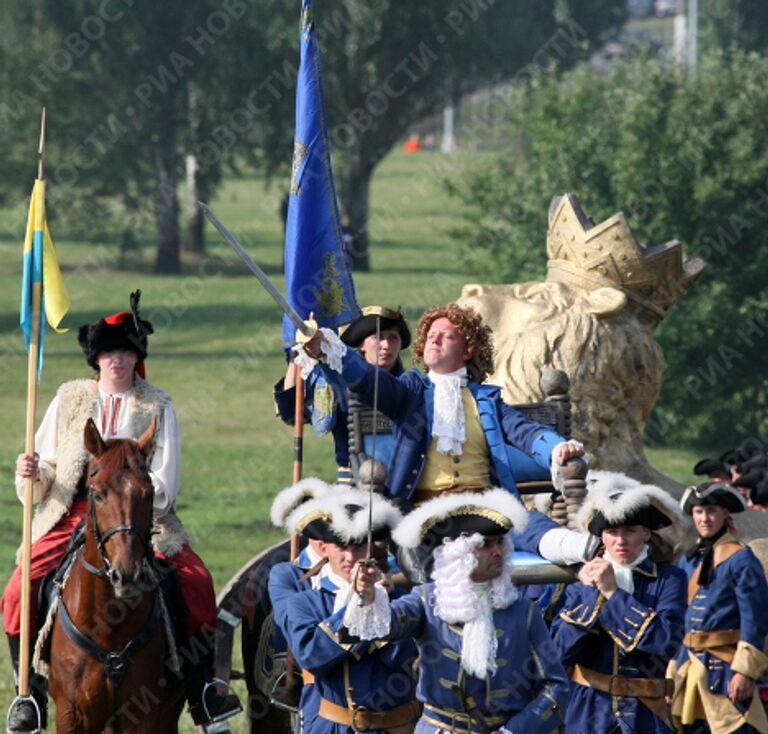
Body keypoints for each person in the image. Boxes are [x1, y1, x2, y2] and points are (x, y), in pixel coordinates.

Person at [2, 292, 240, 731]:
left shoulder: (158, 404)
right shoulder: (69, 399)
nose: (117, 360)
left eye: (126, 351)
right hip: (73, 510)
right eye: (109, 352)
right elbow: (50, 467)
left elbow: (166, 475)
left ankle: (203, 688)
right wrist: (31, 472)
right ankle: (28, 694)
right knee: (18, 592)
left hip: (142, 515)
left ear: (137, 356)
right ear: (97, 358)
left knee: (198, 584)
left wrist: (139, 503)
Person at [294, 302, 595, 565]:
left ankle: (584, 548)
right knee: (416, 547)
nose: (435, 339)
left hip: (485, 508)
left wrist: (557, 448)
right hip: (427, 514)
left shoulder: (486, 400)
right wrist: (331, 350)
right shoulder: (411, 390)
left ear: (467, 351)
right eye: (431, 336)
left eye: (447, 335)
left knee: (530, 526)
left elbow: (525, 432)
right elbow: (373, 383)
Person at [345, 488, 570, 733]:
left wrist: (514, 731)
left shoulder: (524, 611)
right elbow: (385, 624)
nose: (498, 551)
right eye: (485, 544)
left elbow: (557, 687)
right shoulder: (427, 599)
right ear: (459, 553)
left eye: (499, 543)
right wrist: (367, 595)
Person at [272, 491, 419, 733]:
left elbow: (409, 661)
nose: (350, 557)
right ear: (324, 548)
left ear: (371, 548)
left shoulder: (400, 599)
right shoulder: (305, 602)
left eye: (359, 546)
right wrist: (359, 605)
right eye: (341, 546)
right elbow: (311, 656)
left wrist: (379, 602)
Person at [551, 473, 687, 733]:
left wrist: (613, 594)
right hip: (588, 711)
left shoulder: (670, 579)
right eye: (612, 532)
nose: (621, 540)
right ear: (602, 537)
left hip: (646, 714)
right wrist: (593, 594)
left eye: (630, 531)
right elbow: (558, 653)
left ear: (646, 533)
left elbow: (667, 641)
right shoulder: (582, 583)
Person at [669, 481, 768, 734]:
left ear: (725, 513)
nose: (705, 518)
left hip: (726, 670)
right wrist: (672, 670)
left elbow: (754, 619)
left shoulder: (741, 559)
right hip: (689, 667)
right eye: (699, 512)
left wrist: (745, 671)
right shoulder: (688, 559)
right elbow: (682, 618)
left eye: (712, 510)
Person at [274, 305, 411, 483]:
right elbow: (292, 414)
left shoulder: (412, 386)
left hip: (403, 488)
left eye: (393, 338)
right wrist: (295, 357)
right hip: (350, 490)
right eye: (378, 338)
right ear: (361, 345)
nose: (386, 345)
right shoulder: (337, 384)